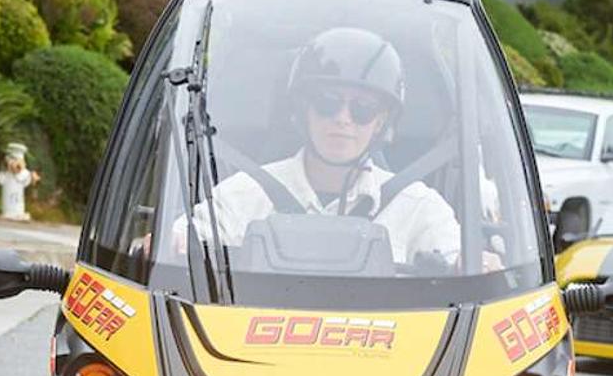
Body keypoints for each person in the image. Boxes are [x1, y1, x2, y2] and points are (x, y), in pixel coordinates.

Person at [173, 27, 466, 269]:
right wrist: (157, 245)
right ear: (303, 110)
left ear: (380, 122)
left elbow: (461, 266)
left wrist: (476, 263)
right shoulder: (243, 195)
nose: (343, 119)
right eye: (327, 103)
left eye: (362, 109)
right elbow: (177, 244)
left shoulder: (418, 207)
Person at [0, 143, 38, 221]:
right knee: (8, 203)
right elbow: (0, 180)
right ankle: (8, 212)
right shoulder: (5, 173)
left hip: (18, 200)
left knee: (18, 203)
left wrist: (32, 177)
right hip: (8, 199)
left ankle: (18, 213)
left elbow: (27, 180)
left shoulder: (23, 173)